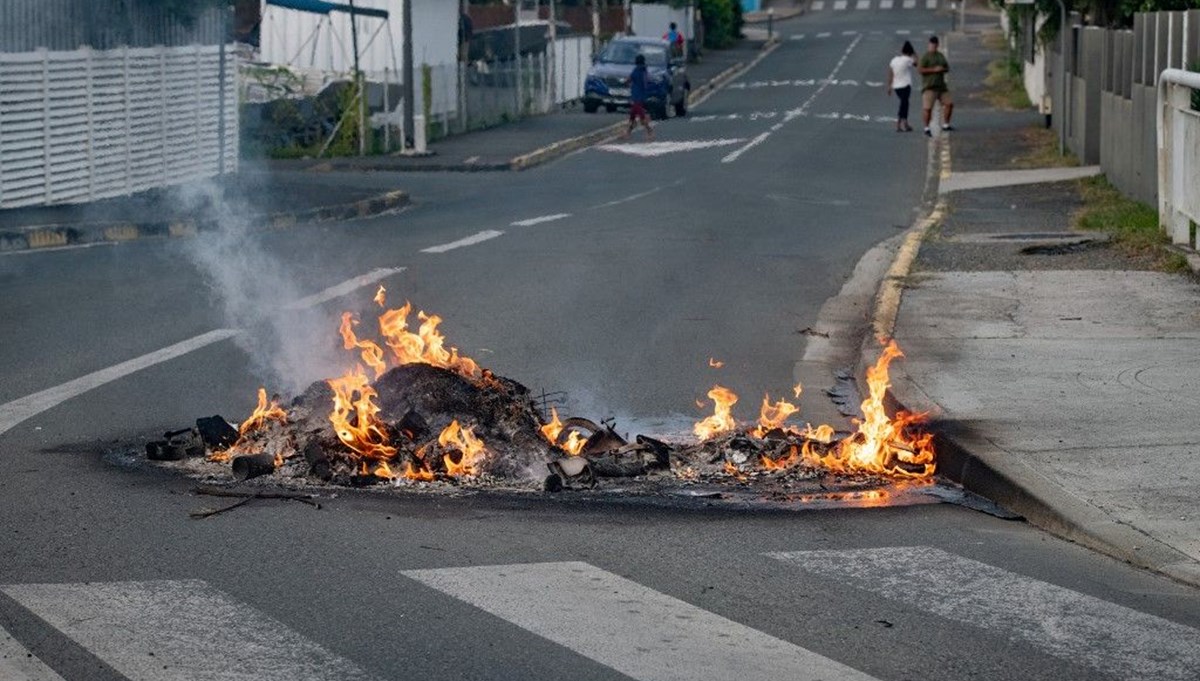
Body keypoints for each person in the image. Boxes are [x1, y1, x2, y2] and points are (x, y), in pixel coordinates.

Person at [917, 35, 954, 137]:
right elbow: (920, 70)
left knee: (949, 104)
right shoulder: (926, 57)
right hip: (929, 87)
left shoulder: (940, 56)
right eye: (930, 45)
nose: (932, 47)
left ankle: (946, 124)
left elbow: (947, 68)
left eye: (934, 45)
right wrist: (933, 70)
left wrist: (942, 69)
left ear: (937, 45)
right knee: (927, 109)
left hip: (941, 86)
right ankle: (926, 127)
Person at [886, 41, 916, 132]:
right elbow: (917, 63)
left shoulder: (894, 60)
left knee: (904, 103)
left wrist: (889, 86)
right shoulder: (908, 59)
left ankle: (904, 123)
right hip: (906, 85)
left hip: (896, 86)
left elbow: (891, 73)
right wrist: (914, 54)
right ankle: (900, 123)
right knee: (904, 104)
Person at [624, 54, 654, 141]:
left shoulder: (636, 70)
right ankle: (628, 132)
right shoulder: (644, 70)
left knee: (641, 116)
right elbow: (647, 81)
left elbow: (629, 79)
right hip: (642, 95)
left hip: (636, 96)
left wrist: (625, 83)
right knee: (633, 114)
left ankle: (650, 131)